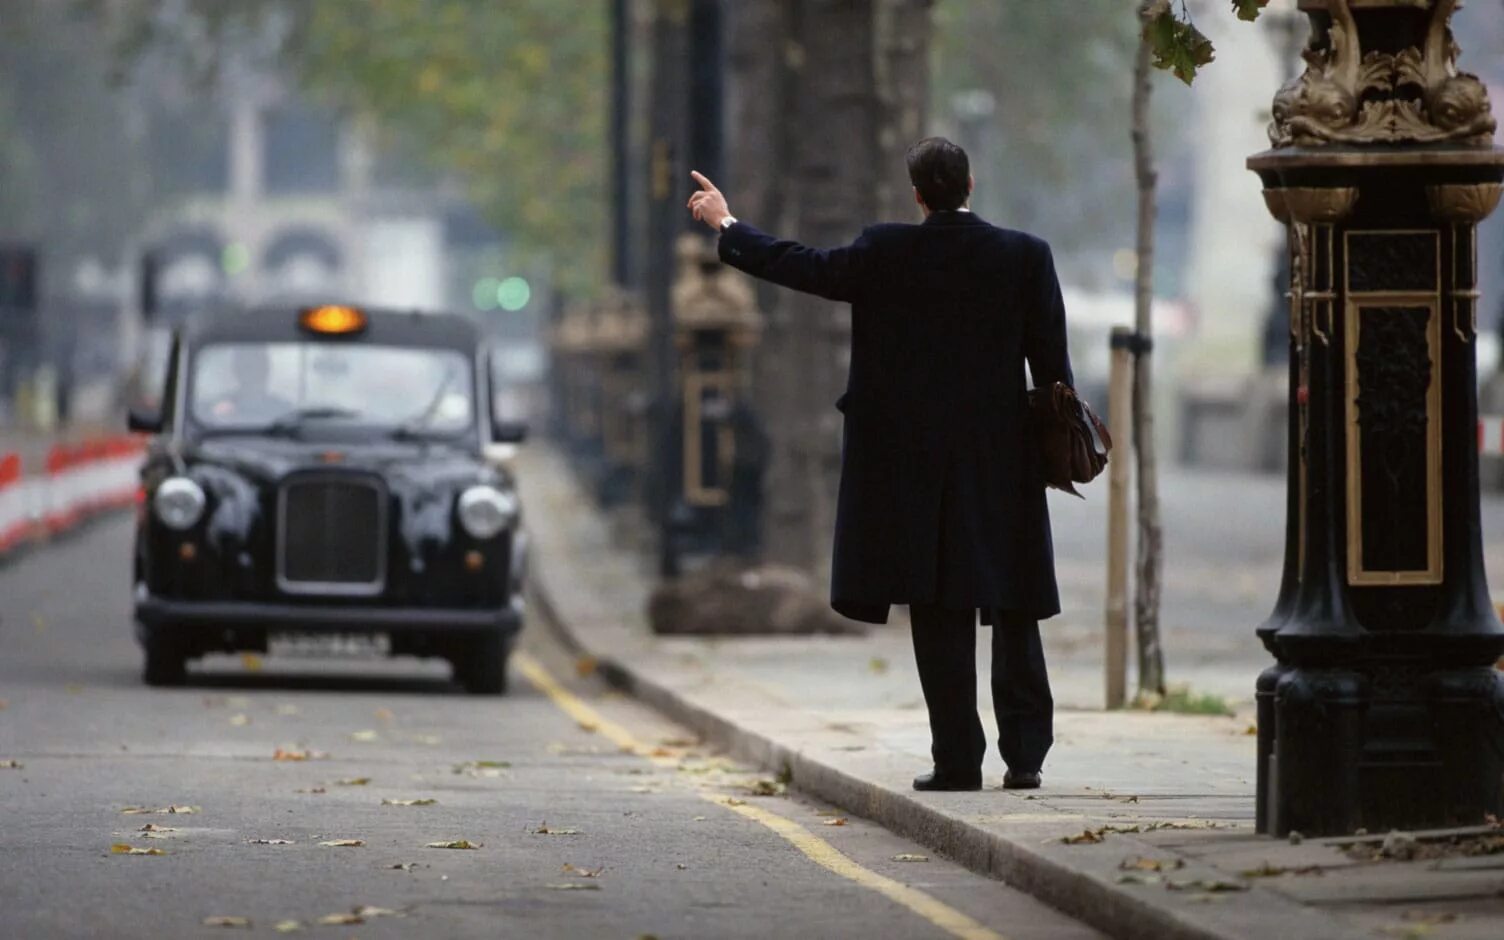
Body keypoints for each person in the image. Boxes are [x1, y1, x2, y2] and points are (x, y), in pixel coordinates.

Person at [686, 138, 1074, 792]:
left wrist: (727, 224)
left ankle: (957, 762)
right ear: (969, 184)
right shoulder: (1024, 256)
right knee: (1014, 602)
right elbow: (1053, 370)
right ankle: (1026, 757)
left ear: (918, 194)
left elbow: (801, 266)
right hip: (1000, 461)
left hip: (915, 466)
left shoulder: (886, 251)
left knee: (940, 609)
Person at [208, 346, 292, 424]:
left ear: (266, 368)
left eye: (257, 365)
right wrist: (217, 416)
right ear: (236, 369)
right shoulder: (219, 407)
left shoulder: (284, 411)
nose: (252, 371)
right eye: (247, 366)